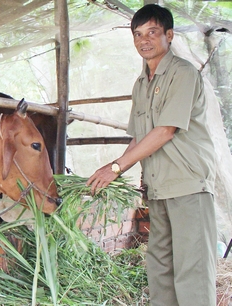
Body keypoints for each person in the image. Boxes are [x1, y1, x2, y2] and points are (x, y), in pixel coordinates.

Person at [86, 4, 217, 306]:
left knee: (192, 272)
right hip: (158, 191)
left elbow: (165, 131)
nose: (144, 40)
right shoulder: (140, 84)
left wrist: (117, 168)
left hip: (188, 187)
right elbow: (139, 138)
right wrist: (111, 170)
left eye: (152, 32)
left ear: (169, 35)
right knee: (159, 269)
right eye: (138, 35)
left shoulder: (182, 74)